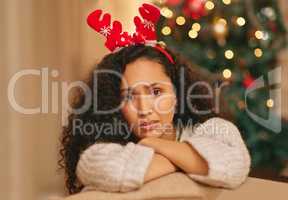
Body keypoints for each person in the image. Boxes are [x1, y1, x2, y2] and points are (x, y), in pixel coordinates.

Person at [58, 3, 251, 195]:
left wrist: (154, 145)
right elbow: (97, 169)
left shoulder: (215, 130)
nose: (144, 109)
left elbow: (234, 165)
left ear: (178, 92)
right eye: (128, 96)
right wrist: (186, 160)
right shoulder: (106, 144)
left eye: (156, 92)